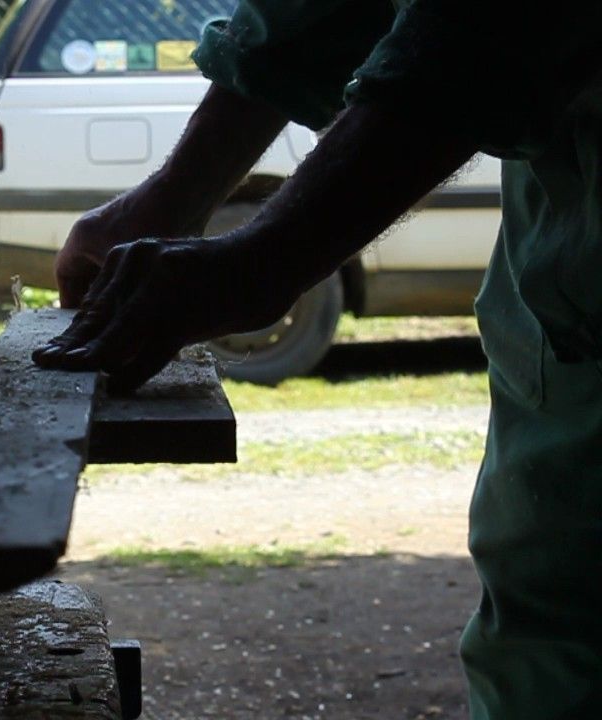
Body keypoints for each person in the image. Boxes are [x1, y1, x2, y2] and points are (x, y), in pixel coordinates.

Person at [32, 2, 602, 717]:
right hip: (568, 263)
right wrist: (176, 193)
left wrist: (271, 255)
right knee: (546, 620)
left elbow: (485, 27)